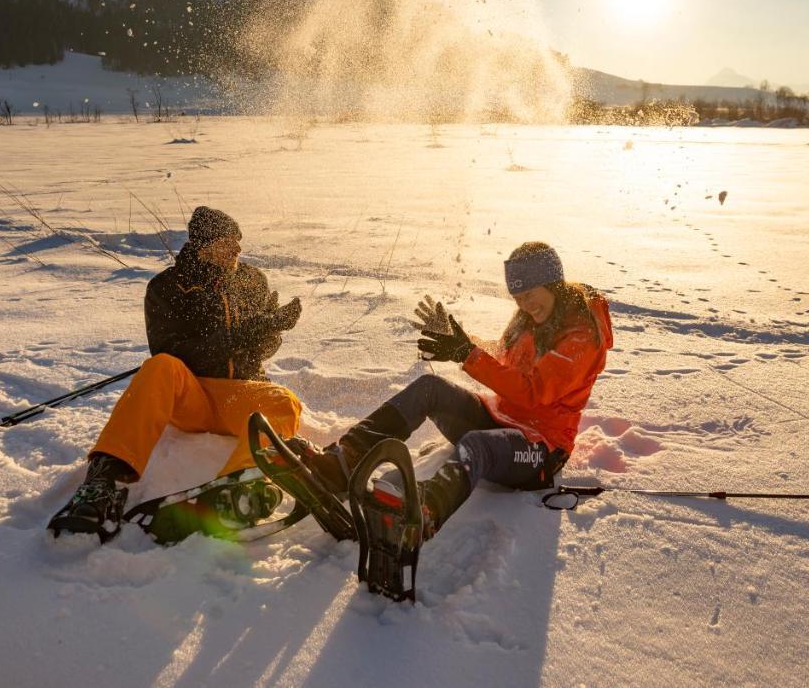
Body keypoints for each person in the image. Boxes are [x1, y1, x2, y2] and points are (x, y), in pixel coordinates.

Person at [292, 241, 613, 539]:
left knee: (478, 446)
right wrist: (460, 342)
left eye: (530, 293)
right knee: (429, 388)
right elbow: (503, 360)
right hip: (500, 418)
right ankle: (343, 464)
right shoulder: (528, 322)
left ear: (552, 281)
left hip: (541, 450)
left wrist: (466, 355)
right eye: (518, 298)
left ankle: (424, 512)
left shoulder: (581, 334)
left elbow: (533, 391)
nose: (526, 305)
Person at [48, 207, 304, 542]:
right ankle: (102, 483)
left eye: (239, 243)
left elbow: (263, 350)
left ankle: (240, 484)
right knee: (159, 368)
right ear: (204, 246)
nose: (238, 251)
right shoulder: (167, 287)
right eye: (229, 243)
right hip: (191, 396)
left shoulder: (252, 280)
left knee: (285, 402)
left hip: (240, 395)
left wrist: (270, 331)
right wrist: (243, 333)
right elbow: (174, 353)